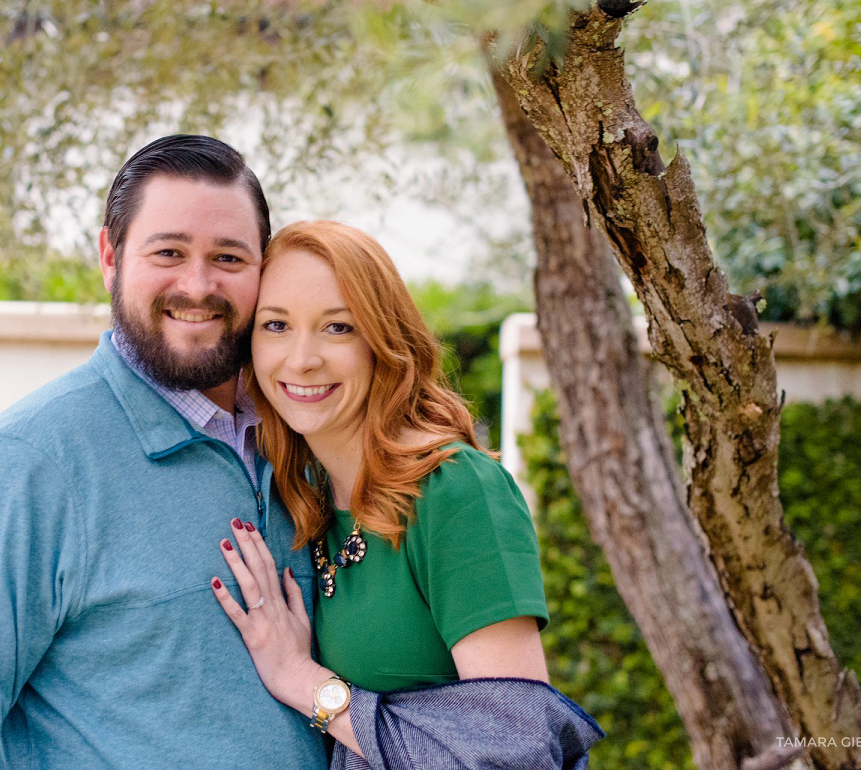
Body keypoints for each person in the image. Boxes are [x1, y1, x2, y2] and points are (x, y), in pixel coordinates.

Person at [0, 136, 327, 770]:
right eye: (168, 252)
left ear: (262, 269)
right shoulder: (27, 463)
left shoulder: (306, 440)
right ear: (110, 256)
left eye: (227, 257)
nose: (198, 285)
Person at [210, 221, 602, 769]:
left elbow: (516, 753)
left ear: (383, 341)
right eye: (276, 324)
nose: (301, 359)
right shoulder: (304, 496)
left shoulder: (456, 491)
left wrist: (303, 680)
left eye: (338, 328)